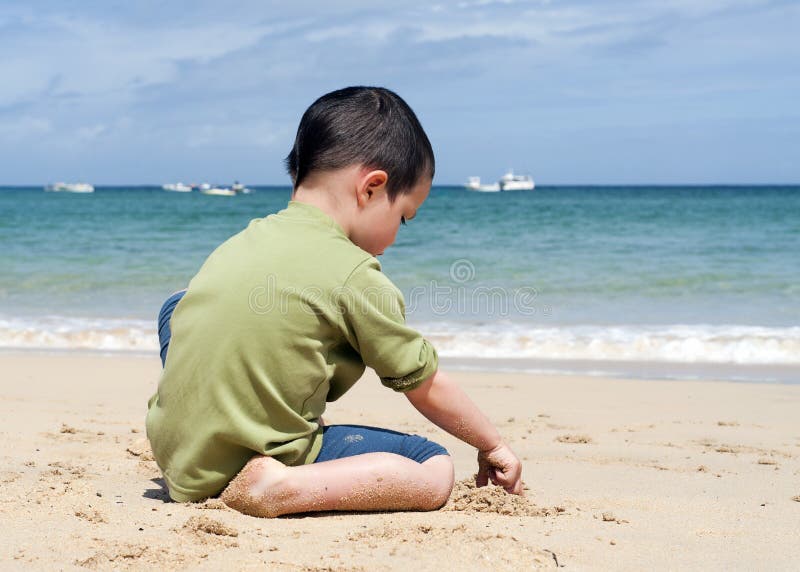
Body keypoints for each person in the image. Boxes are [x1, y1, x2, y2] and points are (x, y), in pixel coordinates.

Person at [146, 86, 523, 517]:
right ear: (372, 188)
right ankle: (279, 487)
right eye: (403, 216)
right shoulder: (354, 274)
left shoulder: (243, 240)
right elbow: (424, 384)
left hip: (177, 456)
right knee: (432, 465)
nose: (399, 233)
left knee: (177, 306)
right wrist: (492, 444)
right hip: (248, 463)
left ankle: (213, 430)